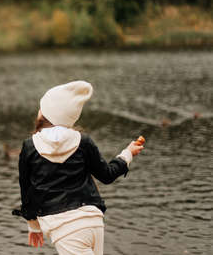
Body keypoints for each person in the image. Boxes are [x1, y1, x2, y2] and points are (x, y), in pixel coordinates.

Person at [16, 81, 144, 255]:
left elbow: (27, 191)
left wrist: (33, 226)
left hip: (65, 229)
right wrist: (127, 153)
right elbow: (107, 175)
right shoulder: (83, 141)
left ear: (46, 113)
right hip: (93, 222)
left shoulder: (30, 146)